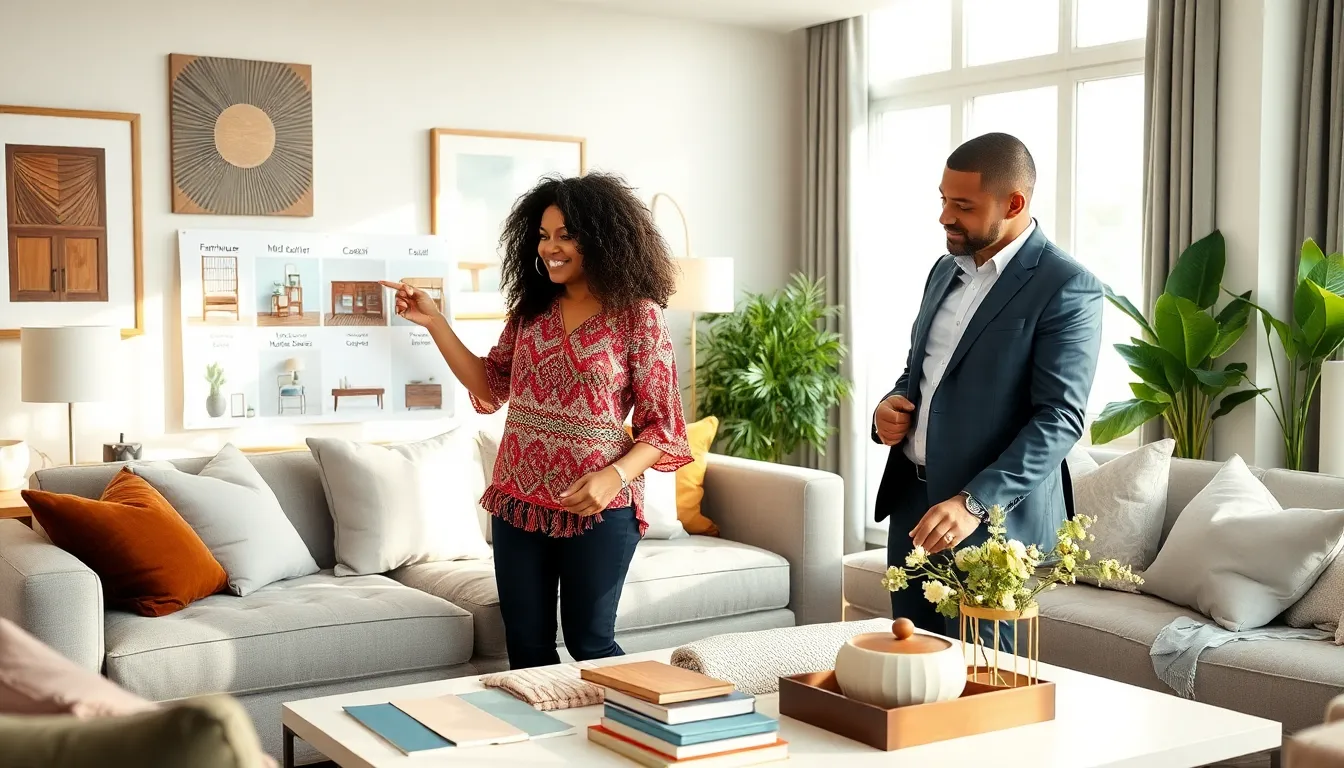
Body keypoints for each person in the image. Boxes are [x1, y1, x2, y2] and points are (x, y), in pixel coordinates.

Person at [383, 172, 691, 669]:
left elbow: (663, 426)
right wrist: (435, 321)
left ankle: (662, 710)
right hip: (518, 501)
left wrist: (614, 476)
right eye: (544, 236)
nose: (551, 248)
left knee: (591, 645)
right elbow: (490, 385)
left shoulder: (638, 316)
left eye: (566, 235)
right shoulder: (531, 310)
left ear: (603, 238)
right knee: (526, 649)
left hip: (597, 506)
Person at [871, 132, 1103, 646]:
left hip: (995, 523)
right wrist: (889, 408)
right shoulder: (943, 271)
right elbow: (921, 371)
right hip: (913, 504)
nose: (944, 217)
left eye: (963, 205)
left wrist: (973, 503)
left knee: (983, 679)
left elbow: (1059, 418)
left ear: (1014, 204)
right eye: (943, 200)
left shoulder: (1067, 285)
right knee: (911, 666)